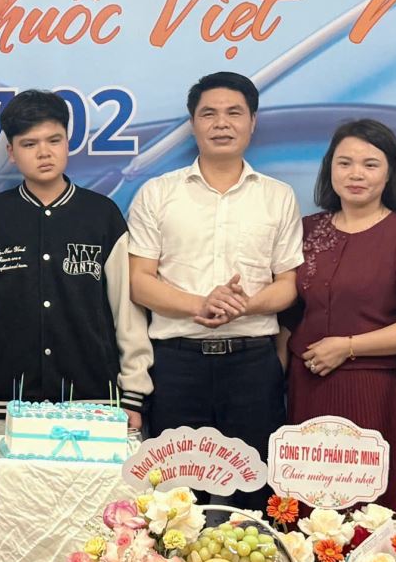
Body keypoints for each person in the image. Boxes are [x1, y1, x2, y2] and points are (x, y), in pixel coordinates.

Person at [127, 72, 301, 505]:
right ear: (193, 124)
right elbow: (139, 281)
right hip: (176, 365)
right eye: (209, 114)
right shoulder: (157, 193)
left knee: (255, 497)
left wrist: (245, 305)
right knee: (172, 502)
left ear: (252, 122)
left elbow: (287, 286)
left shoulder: (278, 196)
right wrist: (199, 304)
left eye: (233, 113)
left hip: (252, 365)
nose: (221, 123)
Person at [0, 89, 151, 425]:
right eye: (29, 144)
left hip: (95, 399)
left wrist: (133, 392)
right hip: (8, 402)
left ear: (68, 143)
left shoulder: (102, 215)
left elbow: (127, 313)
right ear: (11, 152)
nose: (44, 153)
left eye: (54, 140)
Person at [287, 118, 396, 509]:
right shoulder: (305, 230)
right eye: (345, 163)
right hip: (306, 388)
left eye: (370, 164)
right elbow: (287, 312)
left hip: (372, 390)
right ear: (330, 168)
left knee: (369, 512)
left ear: (390, 173)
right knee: (303, 509)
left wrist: (348, 346)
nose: (356, 174)